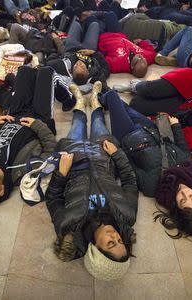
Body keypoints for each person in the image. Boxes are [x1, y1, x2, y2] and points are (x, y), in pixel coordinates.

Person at [100, 90, 192, 239]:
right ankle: (104, 97)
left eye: (182, 201)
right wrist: (175, 126)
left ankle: (102, 96)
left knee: (112, 96)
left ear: (176, 207)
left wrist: (116, 154)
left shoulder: (153, 187)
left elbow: (129, 169)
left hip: (128, 135)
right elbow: (183, 147)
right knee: (125, 107)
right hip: (151, 129)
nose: (185, 193)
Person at [45, 82, 138, 281]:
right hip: (103, 154)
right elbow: (130, 181)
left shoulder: (67, 226)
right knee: (98, 122)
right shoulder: (126, 216)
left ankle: (79, 98)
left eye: (110, 243)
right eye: (120, 240)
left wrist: (61, 173)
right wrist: (117, 154)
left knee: (78, 123)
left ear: (95, 248)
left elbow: (53, 198)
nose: (115, 236)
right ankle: (94, 97)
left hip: (74, 159)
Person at [0, 66, 58, 209]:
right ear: (1, 190)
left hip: (14, 113)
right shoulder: (24, 174)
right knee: (46, 72)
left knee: (25, 70)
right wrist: (38, 125)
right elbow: (51, 150)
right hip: (40, 117)